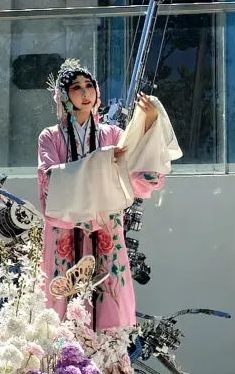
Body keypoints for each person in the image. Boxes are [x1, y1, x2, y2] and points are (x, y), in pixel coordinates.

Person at [37, 58, 180, 332]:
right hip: (65, 230)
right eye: (76, 87)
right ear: (64, 96)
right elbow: (49, 180)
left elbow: (135, 167)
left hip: (105, 226)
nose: (85, 92)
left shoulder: (112, 134)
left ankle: (107, 353)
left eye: (89, 85)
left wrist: (149, 122)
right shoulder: (50, 137)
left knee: (109, 289)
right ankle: (62, 355)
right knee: (62, 290)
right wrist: (101, 161)